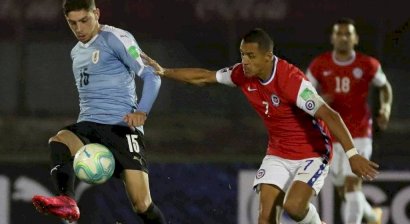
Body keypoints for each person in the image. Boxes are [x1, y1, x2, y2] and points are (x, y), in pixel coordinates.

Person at [141, 28, 380, 224]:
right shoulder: (241, 74)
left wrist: (352, 154)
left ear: (268, 57)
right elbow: (205, 77)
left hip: (313, 151)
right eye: (242, 54)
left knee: (295, 207)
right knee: (265, 218)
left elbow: (330, 115)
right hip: (278, 151)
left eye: (251, 56)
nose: (244, 61)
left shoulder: (291, 81)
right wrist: (164, 71)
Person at [31, 0, 166, 224]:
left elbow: (152, 75)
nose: (79, 28)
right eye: (72, 23)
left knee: (142, 204)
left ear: (96, 13)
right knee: (59, 140)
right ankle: (67, 201)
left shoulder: (117, 39)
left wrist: (141, 111)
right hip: (90, 125)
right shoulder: (76, 53)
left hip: (122, 127)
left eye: (84, 20)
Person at [306, 18, 393, 224]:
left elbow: (385, 87)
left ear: (355, 39)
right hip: (330, 134)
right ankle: (372, 216)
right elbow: (303, 92)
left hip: (360, 134)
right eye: (339, 34)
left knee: (352, 185)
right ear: (332, 38)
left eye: (348, 34)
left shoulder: (367, 64)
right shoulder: (320, 64)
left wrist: (386, 108)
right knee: (345, 191)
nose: (343, 37)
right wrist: (316, 100)